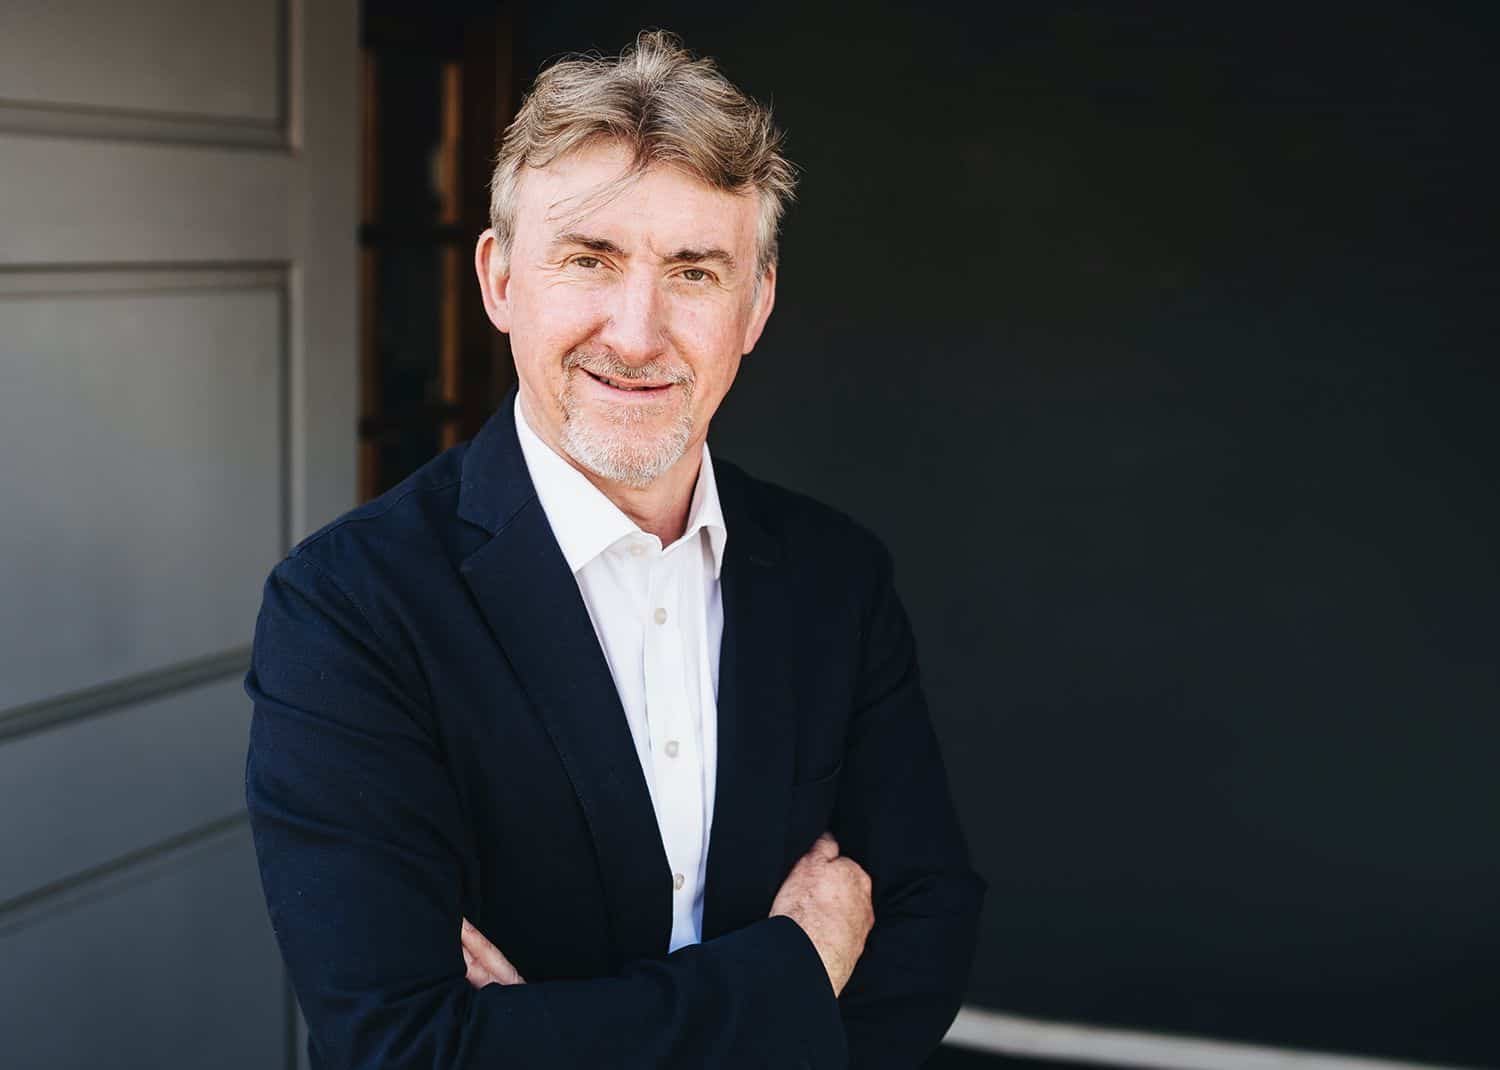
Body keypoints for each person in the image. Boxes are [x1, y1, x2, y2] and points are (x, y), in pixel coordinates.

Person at [245, 30, 983, 1069]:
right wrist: (801, 962)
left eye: (693, 271)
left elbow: (927, 927)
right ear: (502, 282)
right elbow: (406, 1050)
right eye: (590, 259)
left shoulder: (836, 575)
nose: (636, 333)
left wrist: (548, 1031)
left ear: (755, 306)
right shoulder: (350, 608)